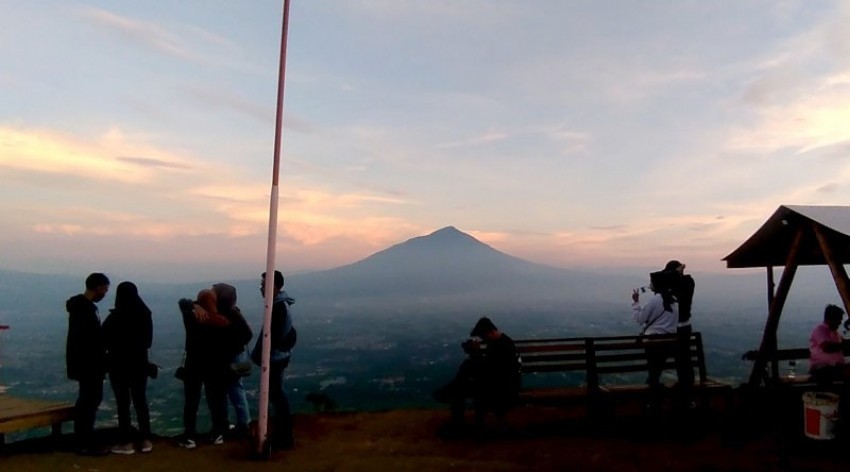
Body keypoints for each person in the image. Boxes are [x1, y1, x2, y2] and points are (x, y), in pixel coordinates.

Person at [433, 317, 520, 430]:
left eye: (483, 336)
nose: (483, 340)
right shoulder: (498, 343)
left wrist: (476, 353)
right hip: (495, 385)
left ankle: (449, 395)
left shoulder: (504, 346)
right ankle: (451, 391)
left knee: (464, 377)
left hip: (502, 389)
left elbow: (492, 372)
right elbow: (488, 370)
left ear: (491, 332)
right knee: (467, 370)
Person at [177, 289, 234, 449]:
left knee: (191, 401)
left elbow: (182, 302)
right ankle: (218, 433)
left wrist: (195, 306)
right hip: (215, 366)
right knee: (215, 401)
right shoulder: (223, 322)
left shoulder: (192, 317)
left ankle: (189, 436)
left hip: (194, 365)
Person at [102, 281, 154, 454]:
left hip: (118, 365)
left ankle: (126, 442)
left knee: (123, 403)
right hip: (139, 364)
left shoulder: (115, 317)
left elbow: (103, 339)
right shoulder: (145, 314)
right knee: (140, 401)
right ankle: (146, 440)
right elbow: (147, 341)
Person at [65, 272, 110, 456]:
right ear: (98, 288)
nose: (105, 294)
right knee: (89, 401)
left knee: (87, 400)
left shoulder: (81, 308)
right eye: (105, 290)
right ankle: (84, 442)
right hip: (89, 364)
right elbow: (89, 340)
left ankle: (83, 440)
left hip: (84, 363)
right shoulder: (86, 310)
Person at [252, 270, 296, 450]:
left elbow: (271, 337)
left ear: (274, 287)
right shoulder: (280, 305)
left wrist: (258, 355)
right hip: (278, 356)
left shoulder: (277, 308)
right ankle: (283, 433)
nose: (261, 288)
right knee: (276, 394)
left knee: (276, 395)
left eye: (264, 285)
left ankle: (285, 435)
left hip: (275, 358)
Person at [212, 283, 253, 439]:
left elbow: (247, 334)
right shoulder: (232, 312)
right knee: (235, 388)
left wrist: (231, 346)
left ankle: (242, 424)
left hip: (231, 357)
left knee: (233, 388)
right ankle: (243, 423)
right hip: (236, 356)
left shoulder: (229, 314)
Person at [631, 270, 679, 405]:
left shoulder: (655, 300)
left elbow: (639, 319)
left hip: (654, 344)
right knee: (654, 375)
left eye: (652, 282)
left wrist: (635, 302)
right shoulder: (674, 301)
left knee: (653, 376)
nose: (650, 284)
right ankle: (653, 399)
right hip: (670, 344)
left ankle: (652, 402)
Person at [664, 260, 696, 406]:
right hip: (681, 327)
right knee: (683, 360)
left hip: (681, 328)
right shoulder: (678, 284)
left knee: (683, 361)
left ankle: (687, 392)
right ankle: (686, 391)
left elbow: (681, 293)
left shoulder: (687, 282)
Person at [809, 304, 850, 385]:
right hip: (822, 369)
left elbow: (843, 344)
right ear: (831, 319)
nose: (840, 323)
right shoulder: (820, 330)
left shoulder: (835, 333)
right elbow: (827, 347)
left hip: (834, 368)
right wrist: (844, 345)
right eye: (838, 320)